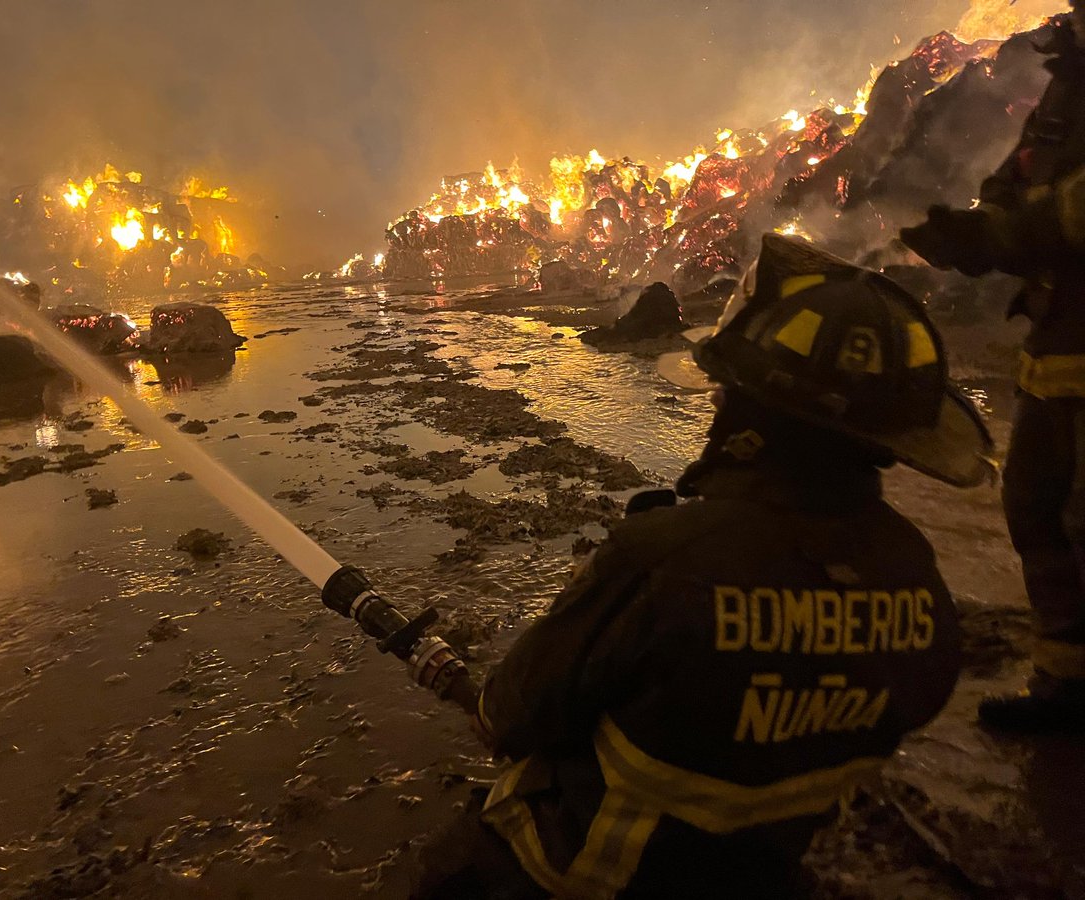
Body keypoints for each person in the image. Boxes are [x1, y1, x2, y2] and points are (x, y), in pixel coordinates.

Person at [411, 234, 994, 899]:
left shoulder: (666, 558)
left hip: (595, 878)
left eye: (726, 391)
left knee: (448, 873)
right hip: (758, 875)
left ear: (755, 411)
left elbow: (513, 713)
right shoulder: (917, 575)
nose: (715, 403)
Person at [900, 4, 1085, 732]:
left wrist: (1002, 231)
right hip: (1057, 344)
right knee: (1035, 507)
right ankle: (1064, 685)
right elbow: (1023, 174)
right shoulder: (1067, 80)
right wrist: (984, 221)